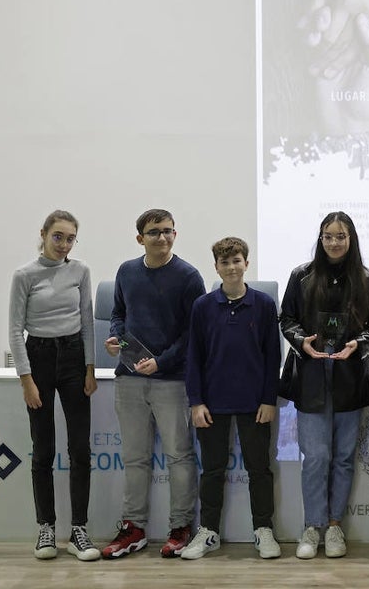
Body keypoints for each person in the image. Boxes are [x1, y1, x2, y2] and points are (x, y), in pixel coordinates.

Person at [279, 212, 369, 560]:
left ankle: (335, 526)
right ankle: (312, 526)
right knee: (316, 458)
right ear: (320, 239)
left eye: (340, 236)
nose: (334, 242)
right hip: (311, 374)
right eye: (328, 236)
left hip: (349, 375)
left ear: (351, 239)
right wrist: (301, 341)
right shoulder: (302, 275)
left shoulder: (368, 279)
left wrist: (360, 345)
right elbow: (287, 318)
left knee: (342, 458)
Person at [101, 209, 205, 559]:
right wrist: (115, 337)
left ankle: (180, 527)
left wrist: (161, 361)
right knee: (134, 458)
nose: (162, 237)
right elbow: (118, 313)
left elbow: (194, 333)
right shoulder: (127, 272)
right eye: (154, 232)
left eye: (168, 231)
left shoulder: (189, 276)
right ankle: (134, 528)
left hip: (172, 381)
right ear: (139, 238)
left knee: (179, 456)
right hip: (129, 381)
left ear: (175, 235)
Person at [181, 237, 282, 560]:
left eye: (236, 261)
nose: (231, 267)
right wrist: (196, 402)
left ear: (246, 264)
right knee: (211, 470)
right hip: (212, 403)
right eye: (224, 263)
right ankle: (208, 531)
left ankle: (263, 530)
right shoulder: (203, 307)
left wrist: (269, 400)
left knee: (259, 469)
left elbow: (272, 357)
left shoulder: (264, 305)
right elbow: (193, 358)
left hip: (255, 404)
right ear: (217, 268)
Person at [8, 210, 99, 561]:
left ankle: (79, 530)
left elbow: (88, 321)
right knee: (43, 449)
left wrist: (90, 368)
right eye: (57, 236)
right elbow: (16, 330)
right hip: (39, 357)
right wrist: (26, 379)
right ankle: (46, 528)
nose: (63, 244)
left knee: (80, 448)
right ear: (43, 234)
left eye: (70, 238)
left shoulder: (80, 271)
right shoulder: (24, 275)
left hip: (74, 357)